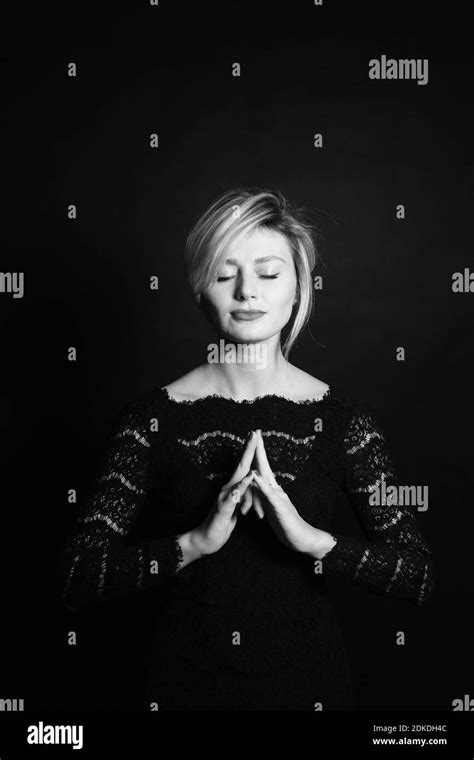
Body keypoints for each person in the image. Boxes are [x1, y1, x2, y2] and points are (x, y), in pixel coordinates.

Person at [60, 187, 435, 710]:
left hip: (312, 690)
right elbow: (78, 579)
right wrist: (194, 543)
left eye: (268, 272)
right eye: (223, 274)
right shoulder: (149, 420)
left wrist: (312, 541)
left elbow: (418, 576)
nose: (246, 292)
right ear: (199, 290)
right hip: (180, 691)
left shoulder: (345, 420)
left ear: (299, 289)